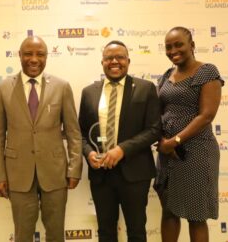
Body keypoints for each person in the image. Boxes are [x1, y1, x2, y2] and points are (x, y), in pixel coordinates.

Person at [0, 36, 82, 242]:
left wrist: (74, 168)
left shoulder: (62, 86)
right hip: (18, 174)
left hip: (55, 173)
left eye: (40, 54)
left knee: (56, 234)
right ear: (19, 56)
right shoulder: (2, 89)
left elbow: (74, 133)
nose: (34, 59)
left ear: (47, 57)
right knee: (23, 235)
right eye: (28, 54)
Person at [78, 40, 161, 242]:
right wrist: (89, 152)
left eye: (120, 57)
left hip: (135, 172)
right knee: (105, 232)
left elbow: (154, 129)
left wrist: (121, 150)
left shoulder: (145, 88)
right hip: (101, 174)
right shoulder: (89, 92)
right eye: (109, 58)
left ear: (128, 61)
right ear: (102, 62)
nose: (114, 61)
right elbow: (79, 133)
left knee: (136, 231)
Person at [155, 26, 224, 242]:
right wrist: (162, 142)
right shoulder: (166, 75)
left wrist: (175, 141)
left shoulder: (207, 72)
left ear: (192, 46)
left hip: (196, 153)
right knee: (168, 212)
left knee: (196, 216)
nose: (173, 50)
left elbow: (206, 115)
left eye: (179, 44)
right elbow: (159, 113)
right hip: (168, 154)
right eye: (168, 47)